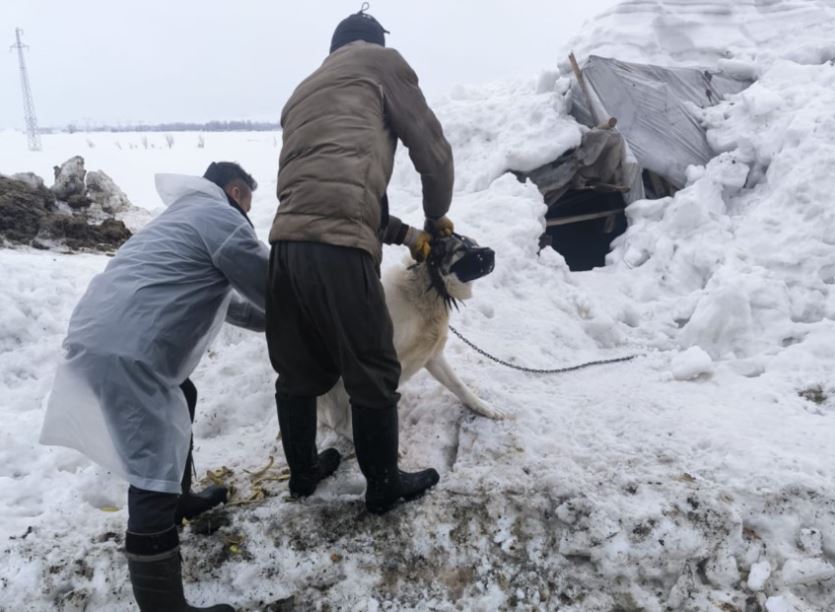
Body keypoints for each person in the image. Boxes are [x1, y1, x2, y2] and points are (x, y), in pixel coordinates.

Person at [41, 162, 268, 612]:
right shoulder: (219, 217)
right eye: (249, 202)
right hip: (129, 354)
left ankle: (179, 501)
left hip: (101, 337)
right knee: (151, 473)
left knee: (183, 395)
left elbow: (234, 306)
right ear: (236, 190)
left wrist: (275, 321)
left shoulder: (179, 219)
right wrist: (324, 308)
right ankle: (164, 605)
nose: (249, 213)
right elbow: (274, 284)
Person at [266, 7, 455, 515]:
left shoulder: (303, 90)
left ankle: (303, 472)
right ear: (372, 42)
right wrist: (437, 220)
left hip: (285, 245)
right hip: (340, 246)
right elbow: (433, 152)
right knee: (372, 366)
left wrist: (408, 236)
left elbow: (331, 188)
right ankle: (384, 484)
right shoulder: (380, 63)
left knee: (297, 367)